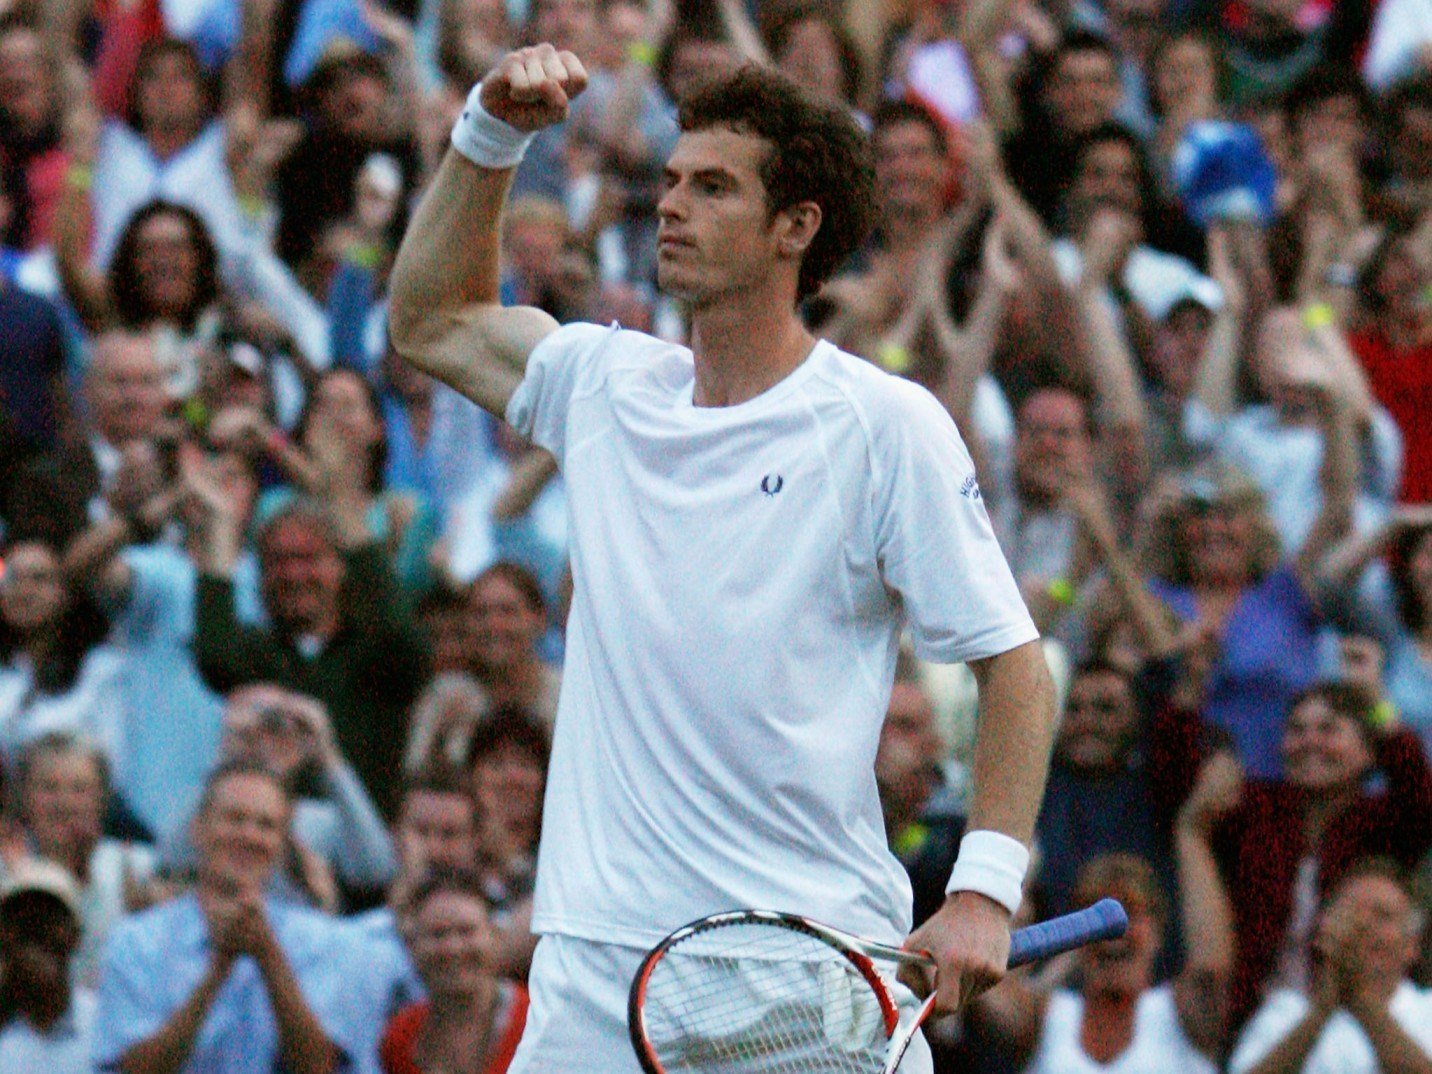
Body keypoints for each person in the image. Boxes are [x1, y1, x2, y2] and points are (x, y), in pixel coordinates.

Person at [389, 45, 1057, 1070]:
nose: (670, 207)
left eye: (711, 188)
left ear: (795, 228)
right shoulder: (603, 385)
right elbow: (430, 320)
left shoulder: (883, 427)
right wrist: (490, 132)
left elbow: (1013, 668)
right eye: (667, 182)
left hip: (802, 981)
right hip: (590, 972)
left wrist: (981, 890)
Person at [91, 761, 400, 1074]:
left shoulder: (321, 941)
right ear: (198, 829)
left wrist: (268, 954)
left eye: (266, 825)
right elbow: (133, 1069)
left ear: (282, 843)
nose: (249, 836)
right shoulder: (137, 941)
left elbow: (317, 1066)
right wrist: (218, 969)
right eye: (234, 819)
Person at [971, 850, 1231, 1074]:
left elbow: (1210, 968)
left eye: (1130, 910)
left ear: (1158, 931)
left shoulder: (1184, 1016)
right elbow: (977, 971)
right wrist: (1013, 883)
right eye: (1095, 917)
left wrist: (1191, 833)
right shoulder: (1045, 1018)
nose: (1112, 933)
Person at [1228, 860, 1432, 1074]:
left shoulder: (1427, 1009)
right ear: (1323, 928)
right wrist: (1322, 1009)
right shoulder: (1286, 1010)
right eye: (1351, 912)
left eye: (1382, 915)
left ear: (1413, 944)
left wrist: (1359, 998)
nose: (1363, 925)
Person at [9, 733, 156, 987]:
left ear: (102, 799)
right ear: (24, 797)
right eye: (49, 788)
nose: (65, 804)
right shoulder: (7, 870)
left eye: (80, 789)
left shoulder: (136, 867)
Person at [378, 867, 528, 1074]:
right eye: (438, 934)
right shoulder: (400, 1038)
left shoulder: (537, 1021)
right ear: (411, 946)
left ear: (495, 937)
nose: (453, 948)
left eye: (466, 931)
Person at [0, 859, 97, 1074]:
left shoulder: (103, 1022)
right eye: (22, 922)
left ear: (75, 936)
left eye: (51, 922)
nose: (38, 935)